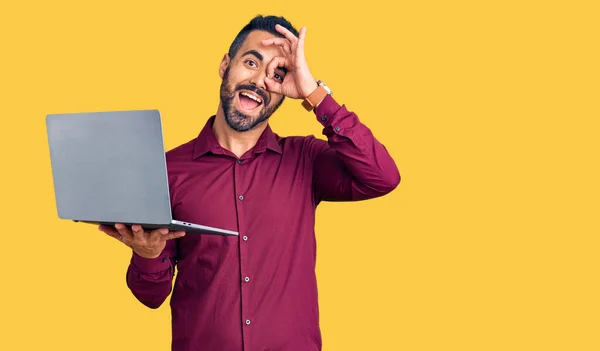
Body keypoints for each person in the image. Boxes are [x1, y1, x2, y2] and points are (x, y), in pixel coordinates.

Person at [99, 14, 400, 351]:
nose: (260, 80)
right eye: (251, 62)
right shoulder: (166, 170)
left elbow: (382, 177)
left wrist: (314, 93)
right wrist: (147, 254)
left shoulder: (305, 159)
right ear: (226, 64)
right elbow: (150, 297)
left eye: (277, 73)